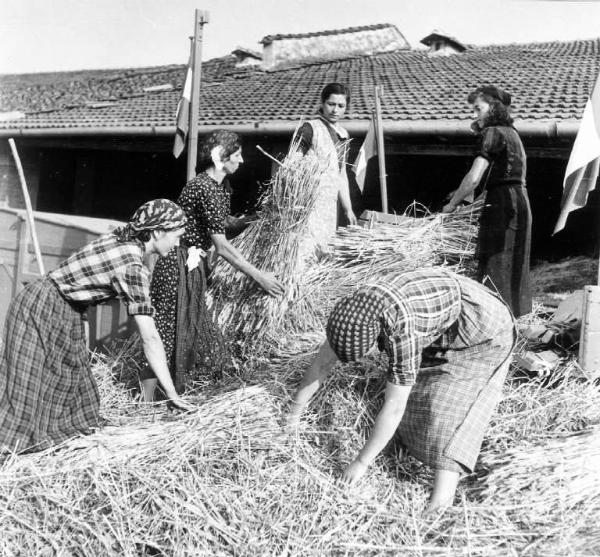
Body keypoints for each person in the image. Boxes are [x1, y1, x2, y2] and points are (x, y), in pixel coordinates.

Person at [284, 268, 515, 515]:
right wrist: (293, 416)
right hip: (442, 316)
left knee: (444, 409)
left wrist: (361, 462)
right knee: (415, 394)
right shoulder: (354, 312)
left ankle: (439, 507)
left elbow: (394, 407)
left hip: (483, 330)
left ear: (377, 336)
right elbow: (321, 363)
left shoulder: (402, 330)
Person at [0, 199, 192, 455]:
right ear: (158, 232)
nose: (178, 244)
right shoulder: (132, 267)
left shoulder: (125, 240)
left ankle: (56, 448)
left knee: (72, 381)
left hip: (65, 308)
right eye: (177, 236)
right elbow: (150, 338)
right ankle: (12, 450)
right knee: (26, 387)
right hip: (42, 306)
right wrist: (171, 393)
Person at [140, 130, 284, 400]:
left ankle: (163, 401)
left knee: (182, 335)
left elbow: (221, 223)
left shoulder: (215, 187)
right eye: (237, 155)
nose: (241, 161)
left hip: (190, 267)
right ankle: (144, 408)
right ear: (221, 157)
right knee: (167, 336)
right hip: (177, 267)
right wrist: (259, 276)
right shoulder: (206, 188)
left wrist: (252, 218)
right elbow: (222, 245)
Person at [442, 85, 532, 317]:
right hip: (519, 202)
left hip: (503, 205)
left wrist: (451, 206)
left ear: (493, 108)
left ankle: (493, 322)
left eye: (478, 109)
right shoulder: (513, 133)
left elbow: (473, 179)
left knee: (496, 265)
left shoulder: (492, 133)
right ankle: (511, 322)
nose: (474, 115)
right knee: (513, 267)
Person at [293, 82, 358, 256]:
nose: (335, 110)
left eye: (341, 106)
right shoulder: (309, 129)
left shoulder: (343, 135)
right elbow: (292, 165)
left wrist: (348, 209)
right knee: (304, 249)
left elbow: (341, 174)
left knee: (323, 251)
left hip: (328, 206)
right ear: (322, 103)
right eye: (331, 104)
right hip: (306, 203)